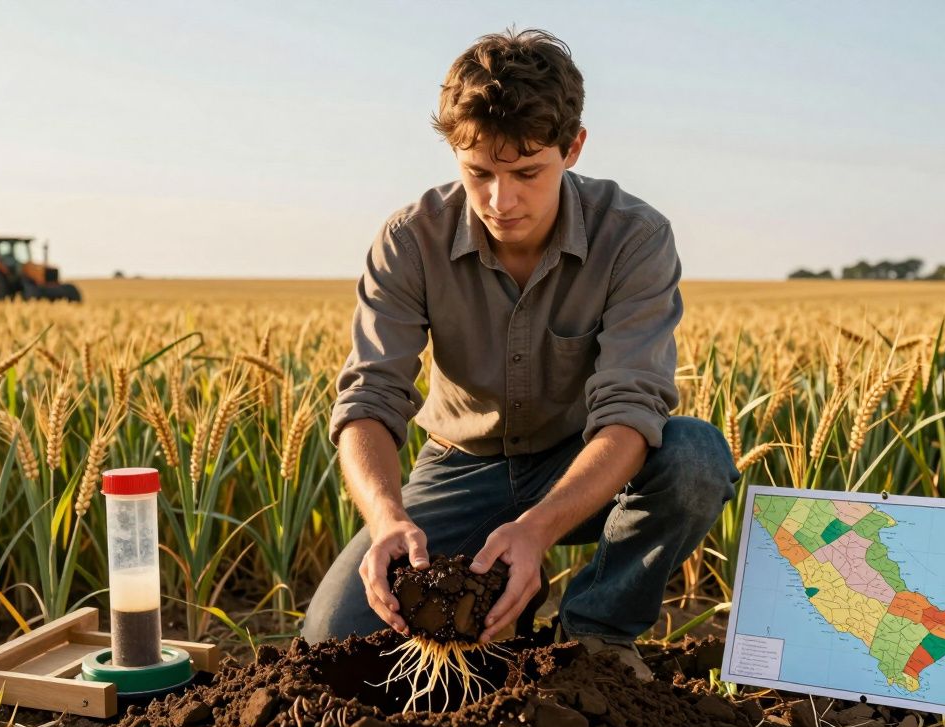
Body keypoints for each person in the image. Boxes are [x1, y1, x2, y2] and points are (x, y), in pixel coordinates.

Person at [299, 28, 739, 681]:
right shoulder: (409, 240)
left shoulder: (634, 237)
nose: (500, 202)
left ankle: (597, 633)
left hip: (582, 459)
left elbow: (629, 413)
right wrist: (388, 519)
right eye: (479, 173)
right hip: (459, 468)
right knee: (331, 640)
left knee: (695, 459)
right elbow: (369, 399)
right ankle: (506, 599)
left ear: (573, 147)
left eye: (527, 172)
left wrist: (536, 529)